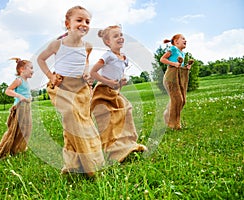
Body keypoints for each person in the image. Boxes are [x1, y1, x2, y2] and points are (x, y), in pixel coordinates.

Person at [37, 5, 104, 176]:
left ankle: (74, 165)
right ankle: (90, 166)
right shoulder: (58, 44)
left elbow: (86, 62)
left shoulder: (87, 46)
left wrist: (86, 73)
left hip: (80, 88)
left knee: (79, 125)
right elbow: (41, 59)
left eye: (87, 21)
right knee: (70, 115)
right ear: (68, 24)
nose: (84, 24)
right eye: (79, 20)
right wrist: (50, 76)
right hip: (61, 87)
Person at [90, 25, 148, 163]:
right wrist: (109, 82)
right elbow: (93, 72)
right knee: (110, 117)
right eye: (115, 36)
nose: (120, 38)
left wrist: (122, 81)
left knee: (126, 111)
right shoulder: (107, 56)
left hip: (115, 91)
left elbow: (119, 74)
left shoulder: (124, 58)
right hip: (103, 90)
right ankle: (114, 151)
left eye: (121, 35)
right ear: (108, 42)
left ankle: (128, 145)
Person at [0, 58, 34, 159]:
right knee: (14, 130)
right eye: (31, 68)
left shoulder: (25, 81)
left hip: (26, 108)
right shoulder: (18, 80)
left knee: (25, 129)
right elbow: (7, 91)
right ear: (22, 70)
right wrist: (19, 96)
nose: (33, 71)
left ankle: (17, 149)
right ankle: (1, 151)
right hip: (19, 108)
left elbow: (26, 93)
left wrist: (29, 98)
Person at [160, 34, 193, 130]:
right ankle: (174, 124)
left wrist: (186, 67)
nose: (185, 40)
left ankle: (168, 115)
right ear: (176, 42)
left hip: (178, 77)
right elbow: (162, 59)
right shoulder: (173, 49)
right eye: (183, 38)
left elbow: (179, 66)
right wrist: (173, 63)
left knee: (182, 101)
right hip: (170, 78)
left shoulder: (182, 53)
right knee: (178, 100)